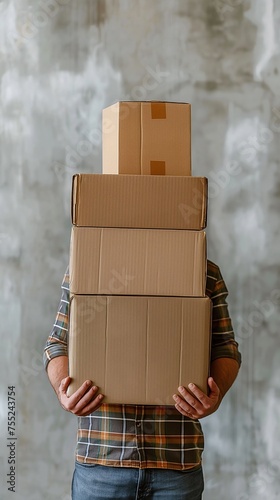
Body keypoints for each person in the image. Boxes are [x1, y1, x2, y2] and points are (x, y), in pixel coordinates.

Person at [43, 259, 241, 500]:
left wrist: (215, 396)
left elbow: (225, 348)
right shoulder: (85, 266)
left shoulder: (203, 271)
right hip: (102, 463)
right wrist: (64, 391)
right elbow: (57, 344)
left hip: (175, 461)